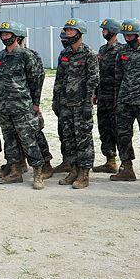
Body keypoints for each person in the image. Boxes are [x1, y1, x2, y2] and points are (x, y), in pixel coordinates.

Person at [0, 21, 47, 188]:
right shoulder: (0, 56)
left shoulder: (25, 55)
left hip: (22, 106)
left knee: (29, 140)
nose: (4, 37)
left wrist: (35, 103)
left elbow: (36, 80)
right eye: (2, 34)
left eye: (7, 34)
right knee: (10, 141)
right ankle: (15, 170)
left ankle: (38, 173)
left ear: (16, 36)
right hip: (4, 107)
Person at [52, 18, 99, 189]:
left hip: (81, 104)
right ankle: (73, 170)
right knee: (69, 138)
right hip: (65, 103)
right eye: (67, 31)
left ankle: (84, 173)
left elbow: (93, 79)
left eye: (71, 31)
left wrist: (88, 102)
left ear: (79, 33)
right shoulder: (64, 54)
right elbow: (59, 78)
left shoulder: (89, 54)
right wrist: (55, 99)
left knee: (83, 138)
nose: (68, 33)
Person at [113, 19, 140, 182]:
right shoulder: (122, 51)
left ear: (138, 34)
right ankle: (127, 167)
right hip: (124, 100)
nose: (126, 37)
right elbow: (119, 75)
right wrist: (117, 99)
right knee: (122, 135)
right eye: (124, 34)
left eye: (130, 34)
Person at [94, 18, 124, 174]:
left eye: (105, 29)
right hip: (103, 96)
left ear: (112, 30)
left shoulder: (121, 50)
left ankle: (125, 163)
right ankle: (110, 160)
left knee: (118, 129)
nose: (103, 32)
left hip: (115, 96)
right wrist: (96, 92)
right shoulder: (102, 50)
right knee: (104, 129)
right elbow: (99, 73)